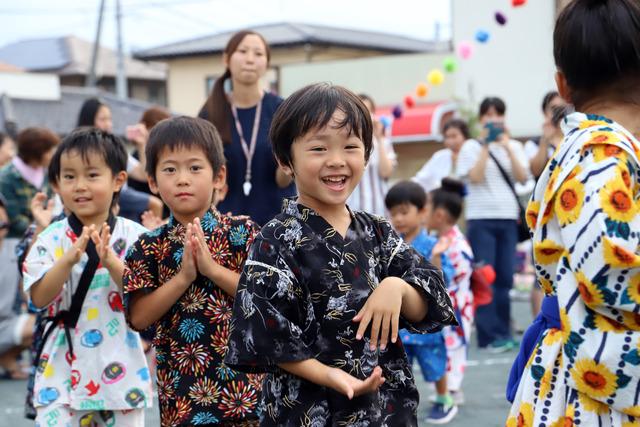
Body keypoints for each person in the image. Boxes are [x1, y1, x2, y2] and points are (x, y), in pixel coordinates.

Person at [224, 83, 456, 426]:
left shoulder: (378, 231)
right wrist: (333, 377)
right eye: (318, 148)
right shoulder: (275, 239)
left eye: (350, 146)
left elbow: (431, 298)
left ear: (366, 154)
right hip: (307, 409)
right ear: (286, 160)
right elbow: (262, 333)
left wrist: (397, 288)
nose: (336, 161)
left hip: (384, 407)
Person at [507, 0, 640, 425]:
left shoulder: (595, 149)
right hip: (592, 386)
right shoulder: (602, 153)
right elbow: (612, 274)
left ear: (562, 85)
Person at [123, 116, 263, 426]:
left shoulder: (243, 232)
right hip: (181, 395)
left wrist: (212, 270)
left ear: (219, 176)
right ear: (153, 182)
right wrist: (183, 277)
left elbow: (264, 298)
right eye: (170, 169)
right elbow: (138, 318)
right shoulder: (147, 246)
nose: (182, 179)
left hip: (247, 394)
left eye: (195, 168)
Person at [23, 129, 152, 425]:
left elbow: (145, 299)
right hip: (61, 373)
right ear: (57, 184)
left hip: (121, 371)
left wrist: (110, 261)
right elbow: (39, 299)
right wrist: (68, 259)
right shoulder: (51, 238)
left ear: (118, 180)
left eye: (92, 175)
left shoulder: (135, 237)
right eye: (69, 177)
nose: (79, 186)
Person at [456, 97, 529, 352]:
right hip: (481, 218)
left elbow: (522, 177)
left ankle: (503, 331)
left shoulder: (513, 146)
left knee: (506, 278)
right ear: (481, 119)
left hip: (508, 218)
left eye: (497, 114)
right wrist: (486, 146)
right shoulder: (470, 147)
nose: (493, 119)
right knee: (485, 277)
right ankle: (488, 335)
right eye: (487, 115)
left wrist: (507, 146)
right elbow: (474, 178)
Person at [199, 30, 294, 225]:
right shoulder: (210, 112)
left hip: (276, 224)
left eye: (258, 54)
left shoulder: (282, 110)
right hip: (224, 224)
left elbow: (284, 179)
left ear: (267, 63)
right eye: (242, 51)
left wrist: (292, 155)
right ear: (226, 59)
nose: (250, 59)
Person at [385, 180, 458, 425]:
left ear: (422, 212)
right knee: (400, 367)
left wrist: (437, 256)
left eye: (404, 212)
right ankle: (403, 403)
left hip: (426, 322)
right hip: (401, 323)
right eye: (393, 213)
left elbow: (442, 280)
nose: (398, 219)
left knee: (434, 364)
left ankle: (443, 398)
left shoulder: (431, 245)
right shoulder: (392, 245)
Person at [424, 178, 475, 407]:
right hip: (446, 302)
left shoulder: (455, 245)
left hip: (454, 304)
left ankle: (452, 390)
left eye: (426, 207)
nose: (422, 212)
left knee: (453, 347)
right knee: (443, 346)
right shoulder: (444, 239)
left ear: (440, 215)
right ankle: (447, 388)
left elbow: (449, 279)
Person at [77, 97, 164, 222]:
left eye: (109, 119)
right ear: (89, 120)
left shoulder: (114, 147)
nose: (108, 124)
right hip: (109, 194)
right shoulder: (78, 149)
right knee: (155, 204)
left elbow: (143, 174)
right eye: (103, 119)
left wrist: (141, 145)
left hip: (121, 196)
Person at [346, 94, 396, 216]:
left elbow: (386, 172)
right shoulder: (345, 141)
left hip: (380, 208)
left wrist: (379, 137)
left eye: (367, 111)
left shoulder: (382, 142)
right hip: (353, 209)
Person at [414, 119, 470, 193]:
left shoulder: (472, 154)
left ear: (464, 136)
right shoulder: (440, 156)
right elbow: (421, 179)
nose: (450, 141)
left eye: (454, 136)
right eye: (447, 137)